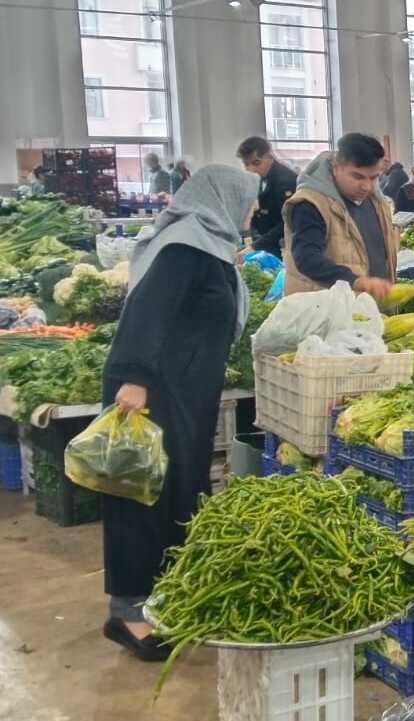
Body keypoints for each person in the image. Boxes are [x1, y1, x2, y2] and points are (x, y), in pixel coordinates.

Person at [99, 165, 259, 660]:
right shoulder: (186, 246)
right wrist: (134, 377)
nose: (253, 209)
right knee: (141, 494)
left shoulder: (206, 246)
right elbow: (147, 311)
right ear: (224, 197)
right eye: (248, 199)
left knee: (178, 491)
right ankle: (127, 614)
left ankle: (162, 599)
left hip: (182, 391)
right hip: (151, 390)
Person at [282, 132, 399, 300]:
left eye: (374, 177)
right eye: (357, 176)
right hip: (328, 310)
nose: (366, 186)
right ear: (336, 167)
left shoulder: (377, 200)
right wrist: (356, 281)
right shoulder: (310, 203)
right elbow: (307, 258)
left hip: (370, 305)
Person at [237, 136, 298, 259]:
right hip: (265, 242)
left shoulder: (286, 181)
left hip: (284, 246)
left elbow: (287, 223)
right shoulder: (257, 178)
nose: (251, 169)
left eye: (256, 163)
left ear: (269, 157)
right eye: (246, 164)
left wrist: (255, 246)